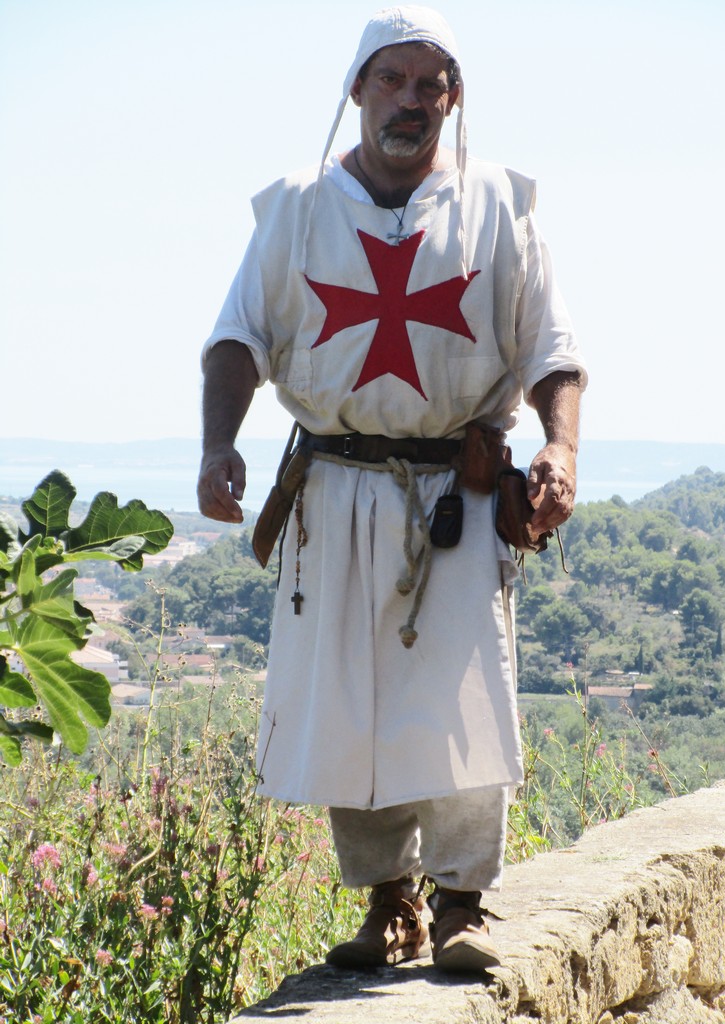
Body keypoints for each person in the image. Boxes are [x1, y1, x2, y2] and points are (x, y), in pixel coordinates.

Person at [197, 5, 587, 974]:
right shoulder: (297, 209)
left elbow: (550, 347)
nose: (411, 101)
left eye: (430, 85)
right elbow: (238, 337)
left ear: (453, 100)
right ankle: (390, 904)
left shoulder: (498, 206)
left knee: (463, 696)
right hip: (333, 489)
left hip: (455, 491)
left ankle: (462, 904)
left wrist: (561, 446)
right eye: (392, 80)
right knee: (349, 702)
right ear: (357, 90)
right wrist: (216, 445)